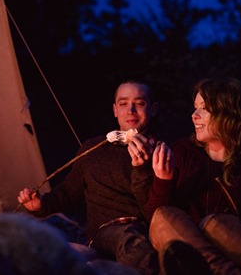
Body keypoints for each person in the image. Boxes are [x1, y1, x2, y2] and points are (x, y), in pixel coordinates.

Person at [146, 77, 241, 274]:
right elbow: (157, 223)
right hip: (192, 250)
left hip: (239, 251)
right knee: (164, 215)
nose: (194, 115)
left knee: (215, 224)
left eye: (204, 108)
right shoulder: (181, 152)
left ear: (229, 114)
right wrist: (163, 180)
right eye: (195, 107)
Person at [18, 80, 161, 274]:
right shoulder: (93, 149)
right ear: (114, 110)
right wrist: (41, 206)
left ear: (153, 109)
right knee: (131, 241)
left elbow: (157, 207)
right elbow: (68, 193)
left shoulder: (162, 152)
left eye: (140, 103)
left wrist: (142, 169)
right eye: (123, 103)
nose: (131, 110)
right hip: (107, 231)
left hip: (145, 229)